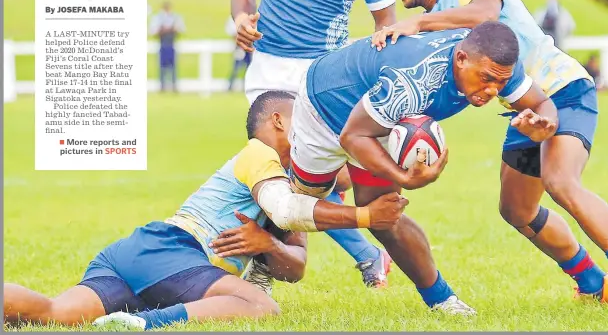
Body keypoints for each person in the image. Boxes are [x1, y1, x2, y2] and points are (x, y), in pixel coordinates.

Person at [373, 0, 608, 318]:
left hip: (562, 89)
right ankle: (595, 284)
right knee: (516, 208)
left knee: (560, 181)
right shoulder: (435, 19)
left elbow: (485, 16)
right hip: (524, 108)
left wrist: (419, 26)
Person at [4, 92, 408, 330]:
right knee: (260, 306)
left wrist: (267, 243)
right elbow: (289, 212)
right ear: (278, 121)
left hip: (138, 254)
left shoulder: (292, 178)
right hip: (177, 251)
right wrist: (366, 218)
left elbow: (296, 267)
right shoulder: (257, 155)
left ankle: (138, 313)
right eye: (304, 119)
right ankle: (150, 323)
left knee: (54, 313)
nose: (313, 130)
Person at [288, 21, 559, 316]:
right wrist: (404, 177)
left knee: (384, 214)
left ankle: (443, 300)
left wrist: (545, 127)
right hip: (325, 106)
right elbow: (352, 136)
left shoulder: (497, 64)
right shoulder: (413, 82)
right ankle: (262, 256)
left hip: (381, 117)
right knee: (301, 203)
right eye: (485, 79)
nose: (493, 90)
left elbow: (542, 103)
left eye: (500, 83)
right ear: (461, 59)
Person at [231, 0, 397, 291]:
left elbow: (385, 21)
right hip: (266, 66)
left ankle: (269, 268)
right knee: (279, 169)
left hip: (320, 73)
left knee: (297, 173)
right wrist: (240, 18)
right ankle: (359, 255)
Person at [149, 2, 185, 92]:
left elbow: (181, 29)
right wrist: (163, 30)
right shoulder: (158, 18)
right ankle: (162, 86)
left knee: (173, 67)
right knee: (162, 67)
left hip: (171, 44)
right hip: (163, 44)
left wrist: (173, 29)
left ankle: (174, 85)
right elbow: (153, 31)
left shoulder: (175, 17)